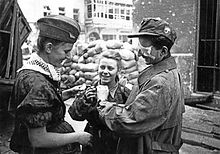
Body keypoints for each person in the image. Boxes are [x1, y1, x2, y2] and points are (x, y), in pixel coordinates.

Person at [99, 17, 185, 154]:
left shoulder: (160, 83)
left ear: (163, 51)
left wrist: (103, 106)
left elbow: (130, 121)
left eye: (145, 49)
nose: (139, 53)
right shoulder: (168, 72)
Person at [9, 15, 92, 154]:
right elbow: (38, 139)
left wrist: (68, 93)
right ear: (49, 47)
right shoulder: (36, 83)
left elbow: (45, 103)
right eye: (66, 51)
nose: (69, 56)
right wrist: (78, 137)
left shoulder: (33, 72)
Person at [68, 49, 131, 154]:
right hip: (93, 142)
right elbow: (74, 115)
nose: (105, 71)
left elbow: (133, 120)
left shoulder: (125, 93)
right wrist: (84, 102)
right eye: (102, 67)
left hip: (116, 144)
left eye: (110, 68)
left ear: (118, 71)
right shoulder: (90, 89)